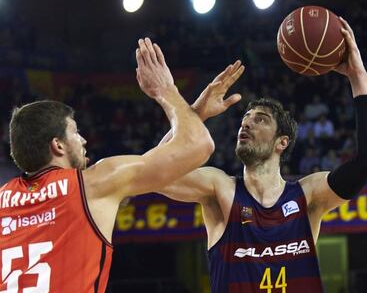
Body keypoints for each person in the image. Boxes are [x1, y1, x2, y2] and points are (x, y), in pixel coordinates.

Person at [157, 18, 367, 292]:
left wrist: (357, 76)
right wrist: (196, 115)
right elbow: (155, 174)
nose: (247, 123)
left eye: (261, 119)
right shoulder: (220, 190)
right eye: (245, 118)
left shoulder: (308, 195)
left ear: (282, 142)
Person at [0, 38, 244, 292]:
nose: (83, 139)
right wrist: (165, 90)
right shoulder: (92, 184)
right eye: (75, 132)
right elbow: (198, 145)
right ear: (58, 145)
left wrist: (194, 115)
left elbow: (163, 163)